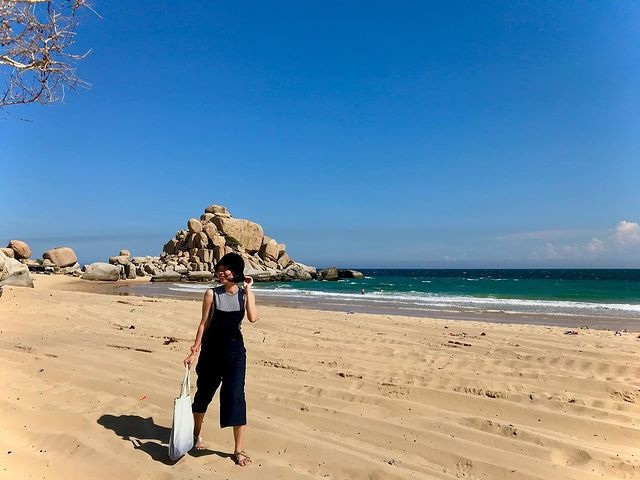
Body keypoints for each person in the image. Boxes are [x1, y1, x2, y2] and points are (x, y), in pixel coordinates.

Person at [183, 252, 258, 466]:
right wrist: (194, 351)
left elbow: (253, 318)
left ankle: (238, 450)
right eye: (219, 268)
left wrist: (250, 290)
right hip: (211, 354)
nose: (221, 272)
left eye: (225, 269)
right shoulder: (211, 294)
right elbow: (203, 323)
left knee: (235, 397)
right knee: (204, 396)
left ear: (236, 271)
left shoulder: (244, 295)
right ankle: (196, 435)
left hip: (235, 354)